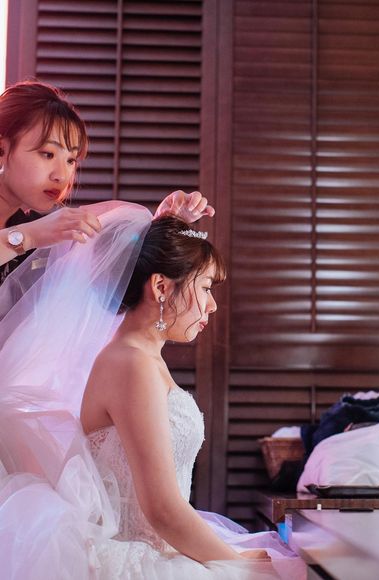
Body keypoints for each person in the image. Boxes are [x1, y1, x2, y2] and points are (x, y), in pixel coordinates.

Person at [0, 201, 304, 579]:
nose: (211, 306)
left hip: (164, 545)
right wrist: (238, 563)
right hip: (141, 556)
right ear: (160, 286)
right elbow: (161, 510)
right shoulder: (131, 364)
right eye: (205, 287)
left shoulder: (140, 357)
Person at [0, 80, 214, 284]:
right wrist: (28, 236)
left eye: (71, 160)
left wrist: (165, 223)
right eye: (48, 154)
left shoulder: (37, 230)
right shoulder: (35, 232)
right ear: (2, 149)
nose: (62, 176)